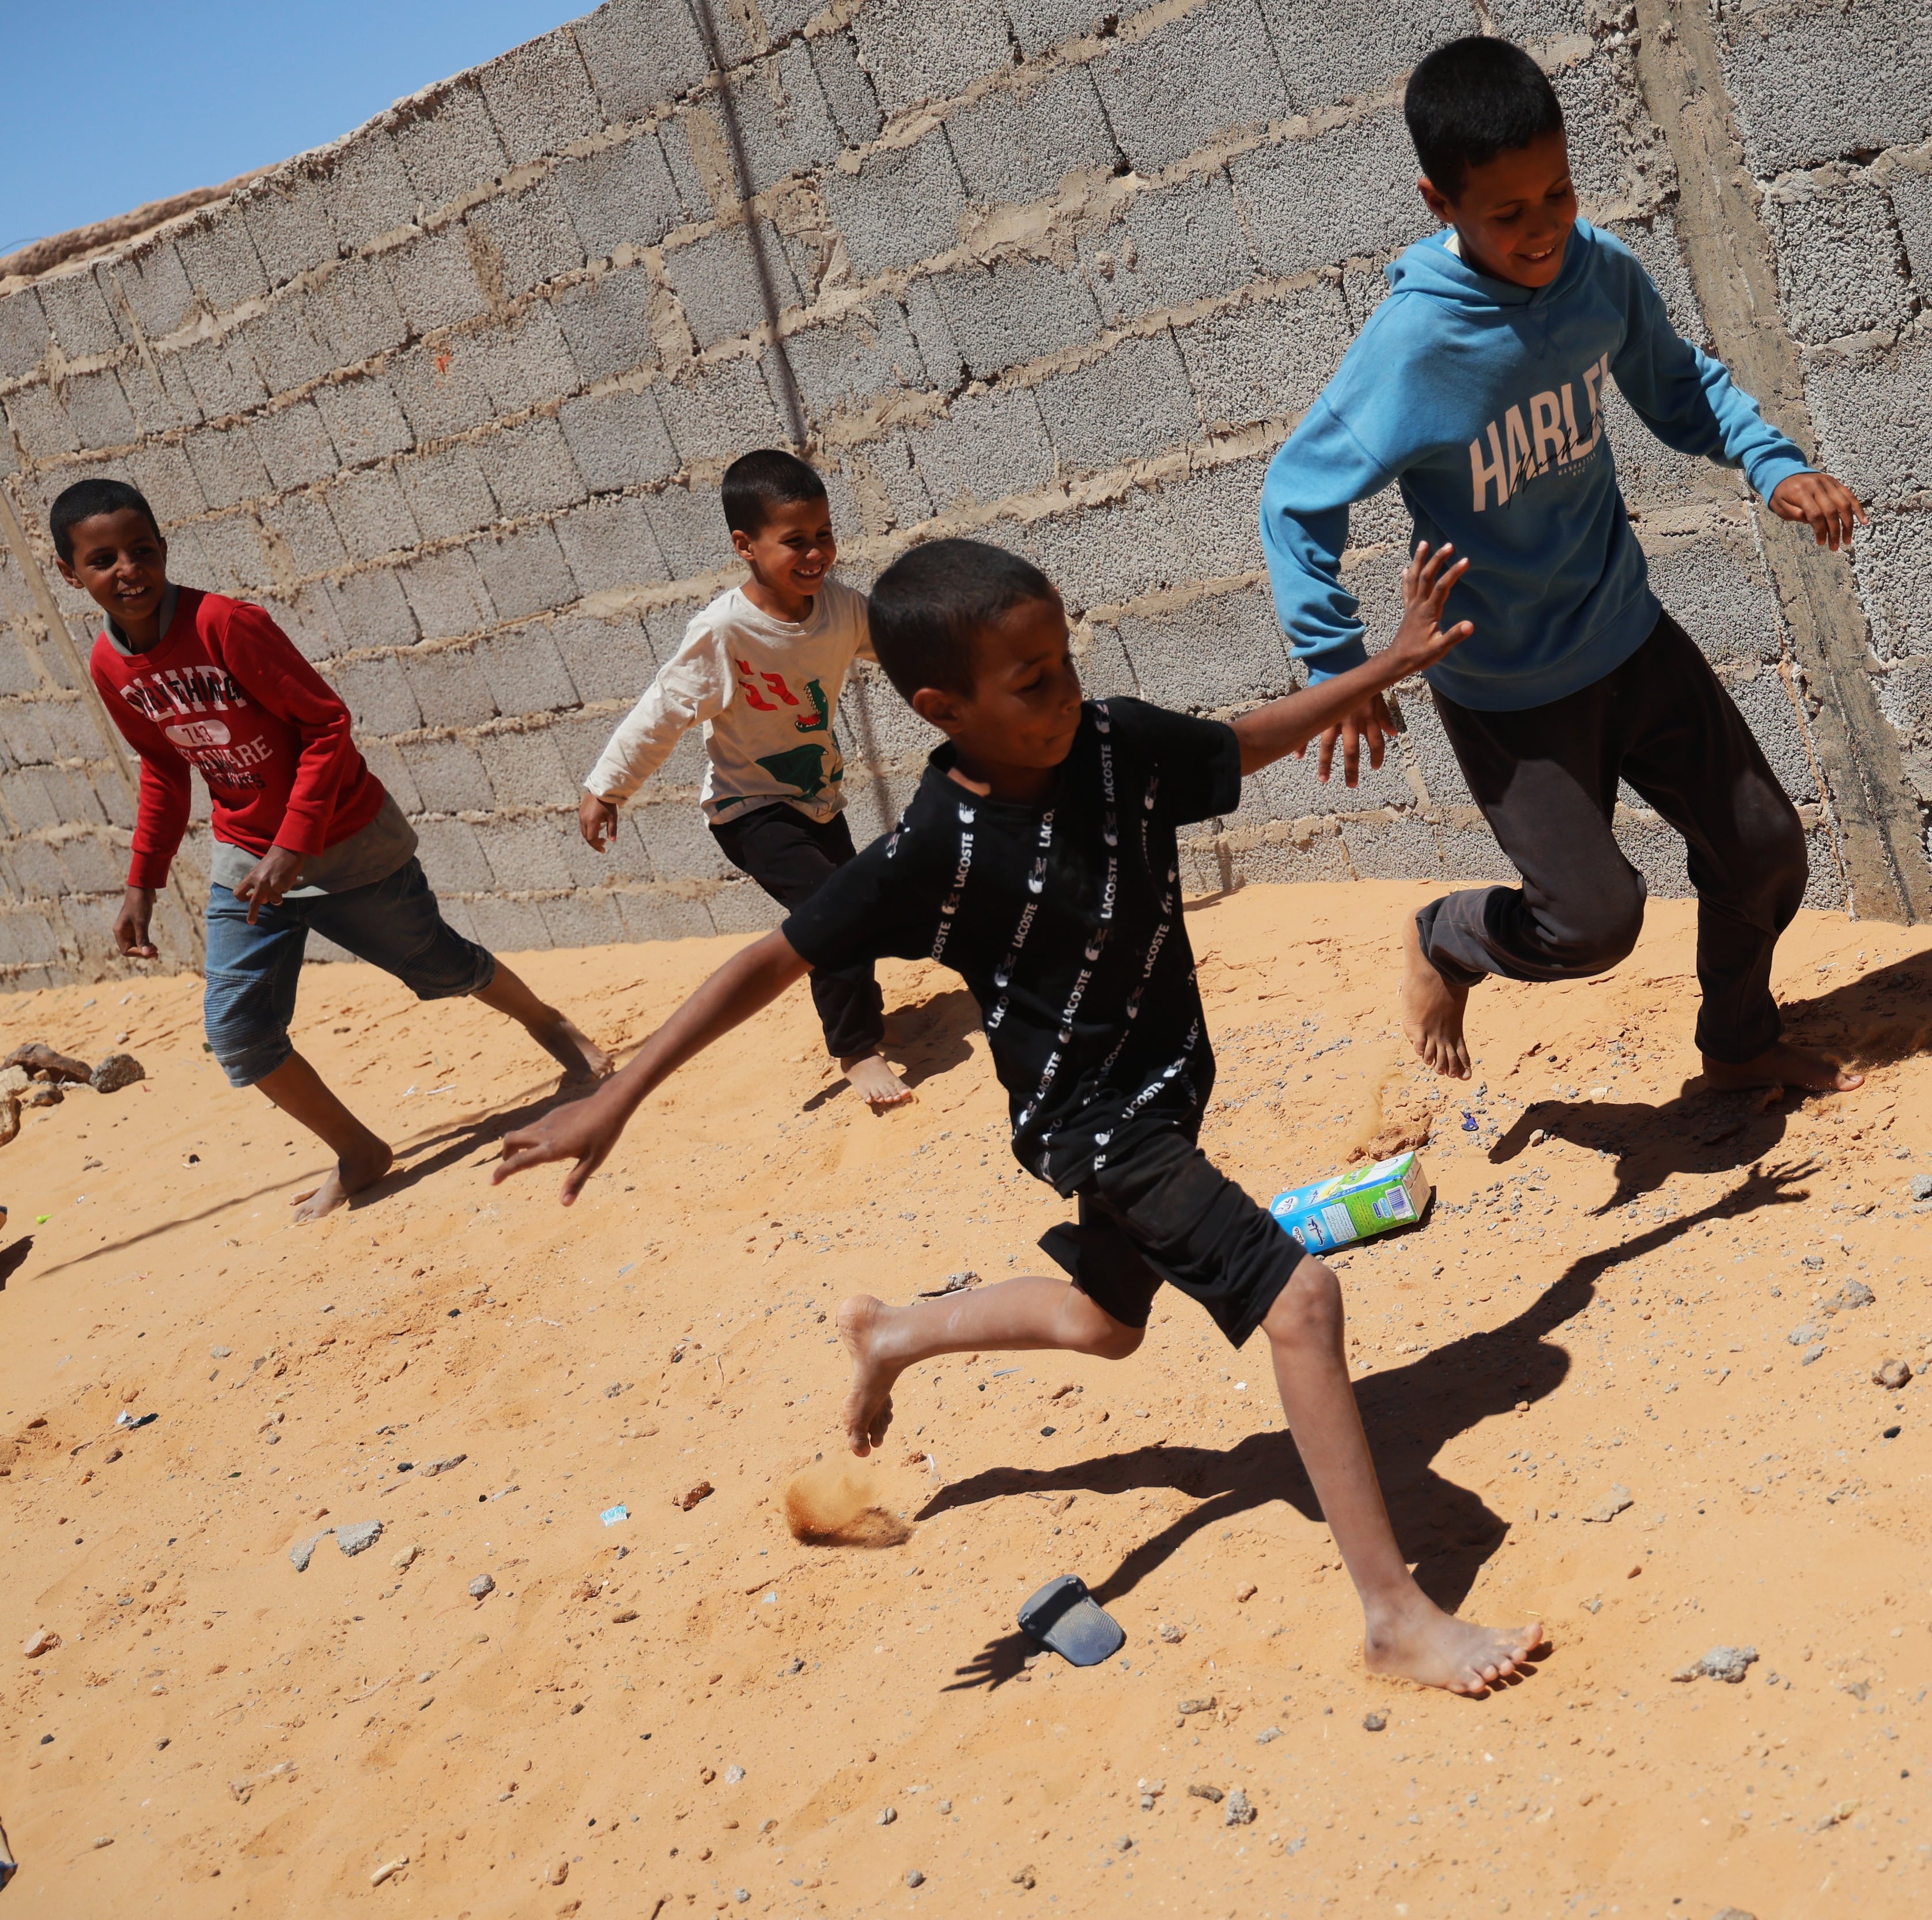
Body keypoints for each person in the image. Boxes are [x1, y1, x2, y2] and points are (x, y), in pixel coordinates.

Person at [496, 535, 1548, 1696]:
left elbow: (1247, 741)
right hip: (1092, 1120)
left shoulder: (1118, 743)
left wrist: (1385, 664)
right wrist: (618, 1094)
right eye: (1032, 679)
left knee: (1107, 1321)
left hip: (1165, 1087)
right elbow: (768, 959)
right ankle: (1391, 1614)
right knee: (1298, 1297)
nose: (1066, 690)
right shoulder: (930, 852)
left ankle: (892, 1333)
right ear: (944, 708)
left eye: (1063, 659)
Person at [1260, 35, 1872, 1093]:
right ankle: (1448, 937)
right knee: (1593, 924)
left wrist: (1773, 467)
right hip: (1506, 687)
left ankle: (1736, 1044)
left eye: (1559, 193)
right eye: (1509, 214)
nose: (1545, 229)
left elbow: (1681, 387)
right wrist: (1332, 664)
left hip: (1625, 629)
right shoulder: (1415, 346)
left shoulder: (1599, 272)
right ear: (1438, 204)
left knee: (1765, 848)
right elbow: (1293, 498)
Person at [54, 478, 611, 1222]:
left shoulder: (226, 624)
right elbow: (163, 767)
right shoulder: (109, 664)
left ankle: (549, 1023)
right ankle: (359, 1152)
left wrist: (296, 843)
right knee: (239, 1033)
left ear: (163, 546)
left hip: (344, 837)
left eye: (142, 549)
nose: (128, 570)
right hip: (247, 857)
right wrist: (142, 884)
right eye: (102, 559)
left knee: (439, 963)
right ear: (70, 573)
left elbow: (325, 725)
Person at [578, 449, 910, 1109]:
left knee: (852, 910)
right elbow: (662, 712)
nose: (815, 554)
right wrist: (605, 786)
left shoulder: (841, 609)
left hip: (817, 799)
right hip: (750, 808)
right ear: (746, 547)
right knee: (833, 913)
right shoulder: (725, 631)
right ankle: (856, 1049)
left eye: (823, 536)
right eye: (794, 542)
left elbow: (905, 647)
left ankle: (859, 1007)